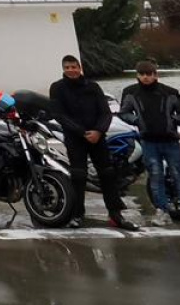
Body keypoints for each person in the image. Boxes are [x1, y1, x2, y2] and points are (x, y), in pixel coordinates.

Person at [49, 54, 137, 231]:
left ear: (79, 68)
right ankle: (77, 214)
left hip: (97, 136)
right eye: (67, 68)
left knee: (107, 174)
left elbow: (105, 112)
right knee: (78, 176)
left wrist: (98, 131)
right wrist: (81, 133)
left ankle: (115, 214)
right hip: (75, 138)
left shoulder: (93, 86)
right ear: (63, 69)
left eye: (74, 67)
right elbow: (59, 115)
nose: (71, 70)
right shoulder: (57, 88)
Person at [118, 59, 180, 226]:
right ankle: (161, 211)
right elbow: (123, 112)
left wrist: (174, 120)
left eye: (149, 74)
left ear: (155, 75)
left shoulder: (170, 92)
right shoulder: (130, 92)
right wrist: (136, 120)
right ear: (137, 75)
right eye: (142, 74)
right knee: (155, 177)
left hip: (171, 140)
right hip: (148, 141)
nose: (145, 77)